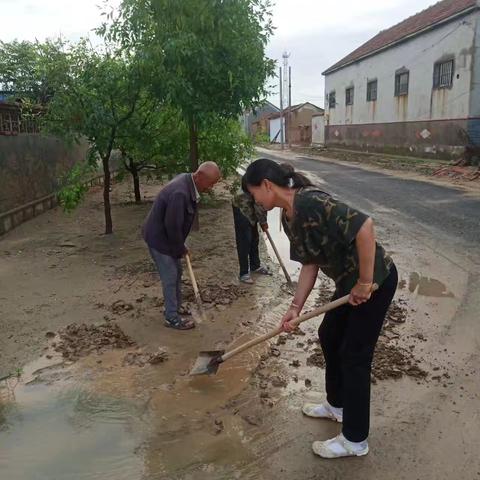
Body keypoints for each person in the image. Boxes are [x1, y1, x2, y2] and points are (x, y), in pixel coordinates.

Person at [243, 158, 397, 459]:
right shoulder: (288, 217)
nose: (255, 200)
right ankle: (336, 405)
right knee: (329, 334)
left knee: (355, 356)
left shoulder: (311, 202)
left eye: (253, 193)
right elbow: (310, 263)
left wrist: (366, 282)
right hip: (348, 283)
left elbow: (365, 226)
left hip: (375, 281)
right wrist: (295, 307)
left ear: (266, 185)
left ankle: (355, 440)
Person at [143, 162, 221, 330]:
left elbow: (176, 225)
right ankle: (171, 317)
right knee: (170, 276)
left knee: (177, 272)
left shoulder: (188, 181)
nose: (211, 187)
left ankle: (176, 308)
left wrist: (180, 247)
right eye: (210, 183)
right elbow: (172, 226)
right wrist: (180, 248)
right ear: (199, 176)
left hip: (168, 236)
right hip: (159, 239)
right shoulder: (180, 192)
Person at [232, 176, 272, 284]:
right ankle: (243, 273)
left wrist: (262, 221)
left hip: (251, 205)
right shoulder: (264, 184)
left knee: (254, 238)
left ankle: (255, 266)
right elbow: (260, 206)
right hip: (242, 206)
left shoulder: (269, 182)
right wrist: (264, 223)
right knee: (244, 241)